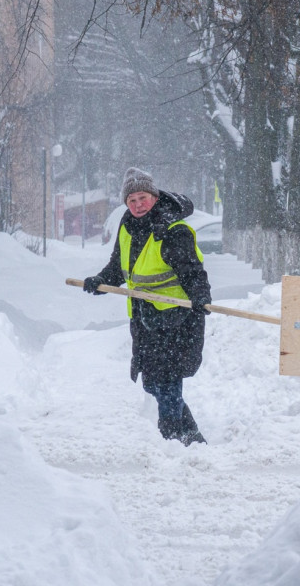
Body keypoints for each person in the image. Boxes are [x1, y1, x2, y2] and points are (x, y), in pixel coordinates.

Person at [83, 167, 211, 446]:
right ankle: (191, 436)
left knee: (167, 382)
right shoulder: (128, 225)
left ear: (154, 196)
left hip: (177, 320)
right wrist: (100, 281)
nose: (138, 204)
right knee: (152, 383)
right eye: (132, 200)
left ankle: (172, 439)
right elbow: (119, 267)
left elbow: (192, 271)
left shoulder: (172, 229)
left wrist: (201, 297)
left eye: (142, 197)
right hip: (145, 320)